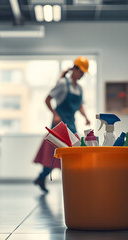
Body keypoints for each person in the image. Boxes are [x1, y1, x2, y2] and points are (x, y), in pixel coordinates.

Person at [33, 56, 91, 193]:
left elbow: (80, 106)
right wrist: (55, 114)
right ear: (75, 69)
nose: (82, 75)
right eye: (81, 71)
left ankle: (74, 183)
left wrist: (86, 117)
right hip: (58, 126)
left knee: (74, 155)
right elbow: (47, 99)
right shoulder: (63, 84)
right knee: (52, 156)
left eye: (84, 73)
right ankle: (42, 177)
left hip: (71, 124)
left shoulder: (80, 89)